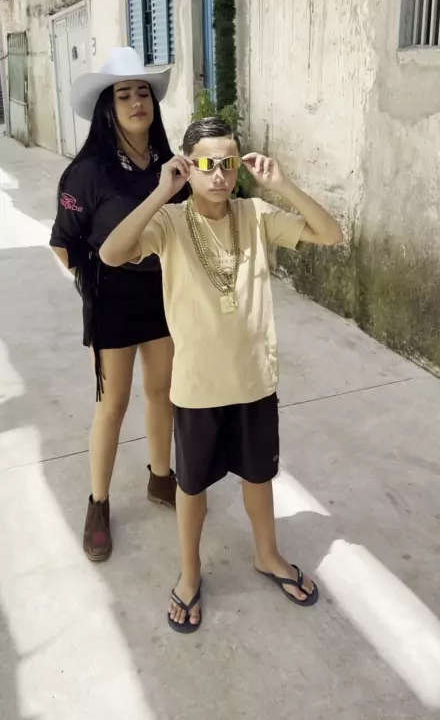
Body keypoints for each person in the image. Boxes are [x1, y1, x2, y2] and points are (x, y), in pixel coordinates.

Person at [99, 116, 343, 632]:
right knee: (191, 487)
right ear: (187, 167)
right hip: (196, 388)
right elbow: (111, 252)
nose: (218, 175)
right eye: (206, 164)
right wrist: (161, 192)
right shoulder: (170, 222)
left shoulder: (253, 214)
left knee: (259, 476)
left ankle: (267, 554)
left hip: (254, 381)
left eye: (228, 164)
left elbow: (330, 233)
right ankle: (189, 573)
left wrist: (282, 185)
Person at [50, 47, 189, 562]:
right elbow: (63, 244)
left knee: (162, 391)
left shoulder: (169, 166)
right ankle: (98, 502)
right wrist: (92, 287)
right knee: (113, 403)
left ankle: (160, 478)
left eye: (143, 93)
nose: (136, 102)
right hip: (110, 297)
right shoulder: (88, 173)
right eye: (124, 94)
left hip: (161, 294)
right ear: (108, 107)